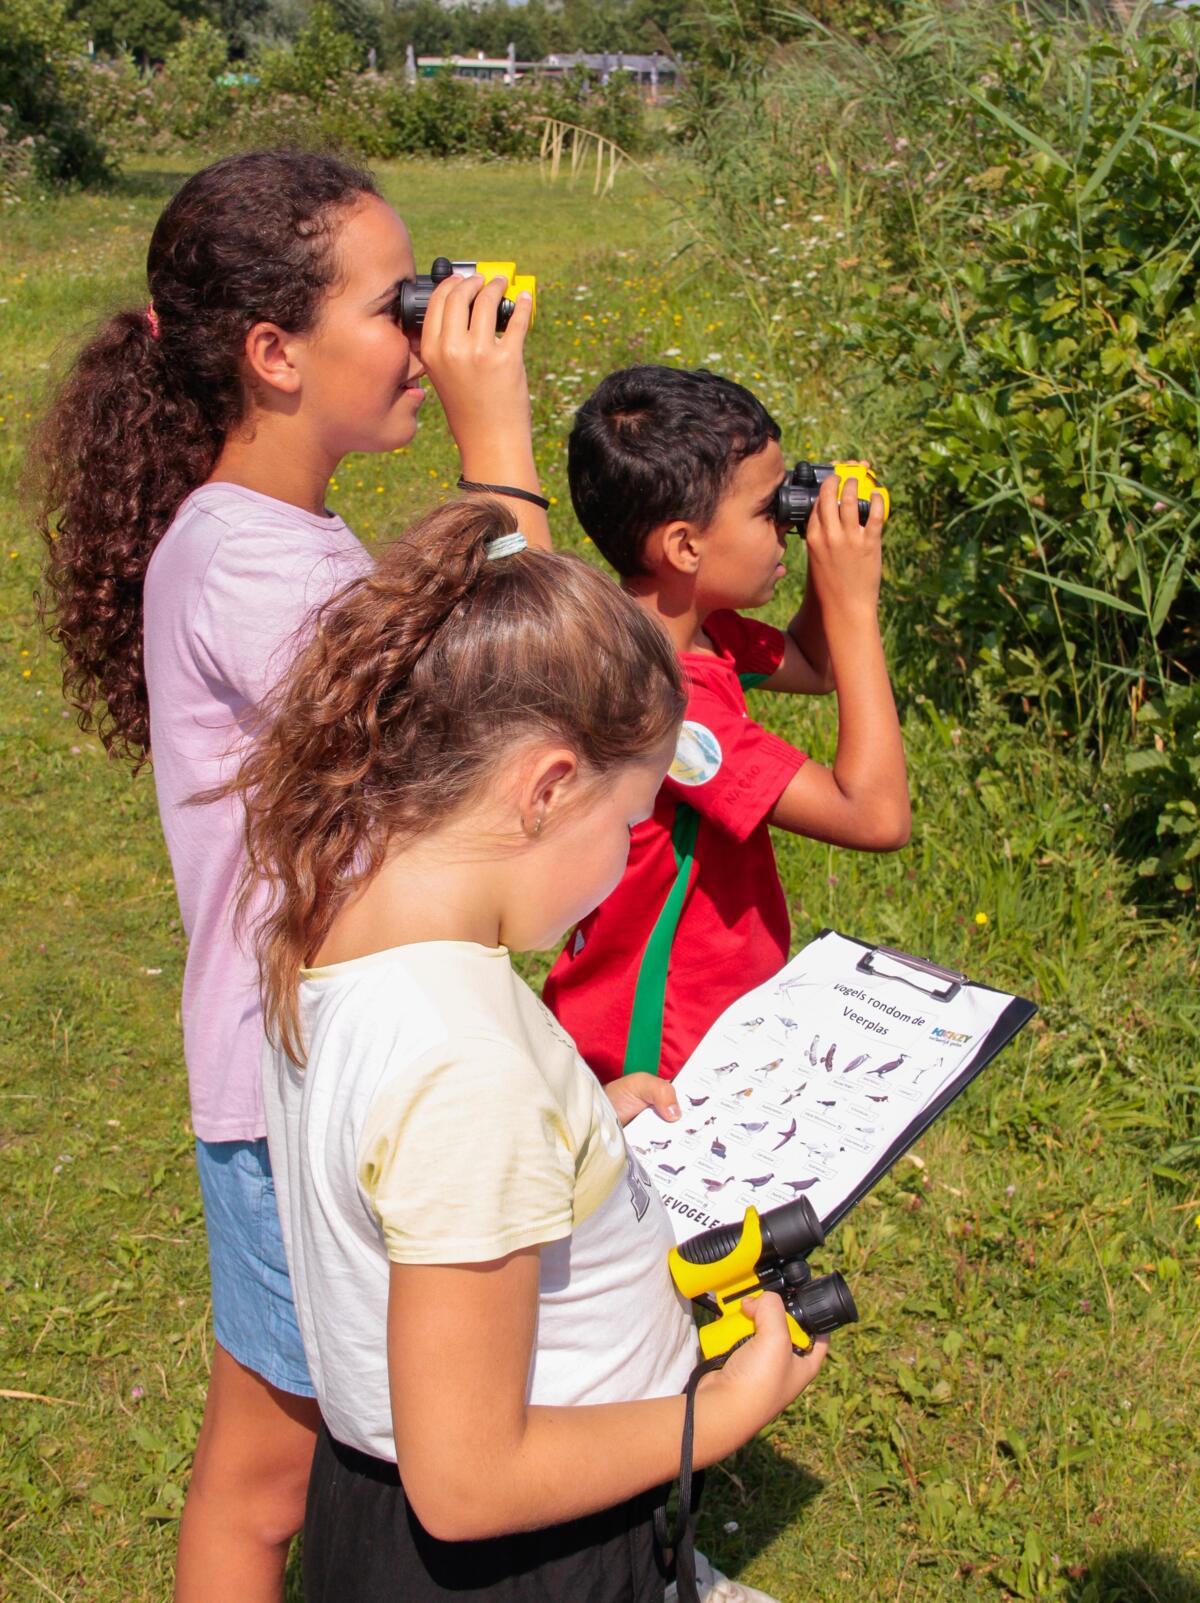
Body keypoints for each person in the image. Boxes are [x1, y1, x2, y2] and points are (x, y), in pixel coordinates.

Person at [33, 147, 547, 1603]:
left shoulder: (289, 531)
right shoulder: (242, 559)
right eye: (400, 303)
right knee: (264, 1483)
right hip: (291, 1095)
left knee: (319, 1448)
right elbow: (503, 708)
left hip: (344, 1070)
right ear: (273, 354)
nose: (428, 331)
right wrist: (495, 439)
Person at [223, 494, 830, 1603]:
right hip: (518, 1560)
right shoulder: (467, 1070)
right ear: (547, 788)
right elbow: (469, 1479)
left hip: (379, 1520)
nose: (619, 866)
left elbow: (410, 1173)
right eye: (628, 821)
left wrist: (591, 1117)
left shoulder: (344, 927)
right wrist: (723, 1412)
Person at [544, 364, 910, 1084]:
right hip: (659, 1047)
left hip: (714, 1015)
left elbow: (811, 658)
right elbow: (874, 816)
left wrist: (824, 570)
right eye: (770, 511)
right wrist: (857, 605)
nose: (785, 527)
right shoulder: (663, 708)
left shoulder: (693, 633)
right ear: (684, 546)